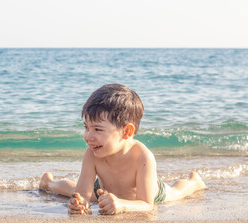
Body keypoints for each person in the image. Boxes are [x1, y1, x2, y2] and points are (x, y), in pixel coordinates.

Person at [39, 83, 206, 215]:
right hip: (105, 191)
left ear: (126, 132)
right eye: (86, 127)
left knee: (177, 193)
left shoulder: (142, 157)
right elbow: (82, 194)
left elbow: (147, 205)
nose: (88, 136)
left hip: (150, 194)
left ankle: (194, 181)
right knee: (77, 192)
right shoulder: (92, 153)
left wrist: (121, 205)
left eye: (97, 129)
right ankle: (50, 183)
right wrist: (79, 204)